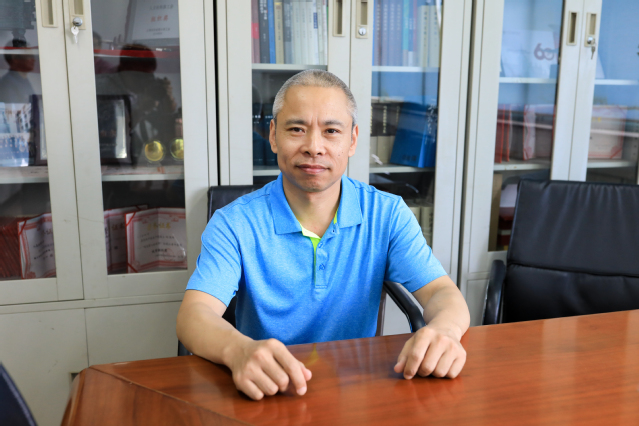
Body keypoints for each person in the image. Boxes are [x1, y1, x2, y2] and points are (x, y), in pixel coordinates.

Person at [177, 70, 470, 401]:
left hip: (356, 393)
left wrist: (445, 330)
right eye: (296, 129)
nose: (314, 147)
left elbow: (441, 293)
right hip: (268, 389)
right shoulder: (233, 223)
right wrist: (238, 350)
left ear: (353, 140)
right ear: (273, 136)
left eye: (331, 131)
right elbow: (194, 315)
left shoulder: (387, 214)